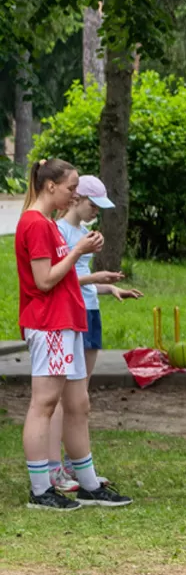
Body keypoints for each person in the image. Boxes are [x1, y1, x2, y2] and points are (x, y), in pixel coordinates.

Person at [16, 158, 132, 510]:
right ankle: (41, 490)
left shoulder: (50, 225)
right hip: (49, 323)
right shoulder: (35, 224)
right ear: (50, 186)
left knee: (78, 405)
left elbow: (62, 273)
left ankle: (89, 484)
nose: (74, 195)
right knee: (44, 404)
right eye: (71, 188)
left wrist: (84, 258)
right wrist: (79, 251)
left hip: (69, 322)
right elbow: (44, 281)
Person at [46, 175, 142, 493]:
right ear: (76, 198)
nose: (95, 212)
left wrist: (109, 288)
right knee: (61, 397)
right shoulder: (59, 231)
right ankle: (53, 467)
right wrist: (95, 277)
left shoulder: (84, 233)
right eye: (93, 205)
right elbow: (59, 278)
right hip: (71, 314)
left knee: (80, 396)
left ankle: (76, 461)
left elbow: (81, 277)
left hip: (90, 312)